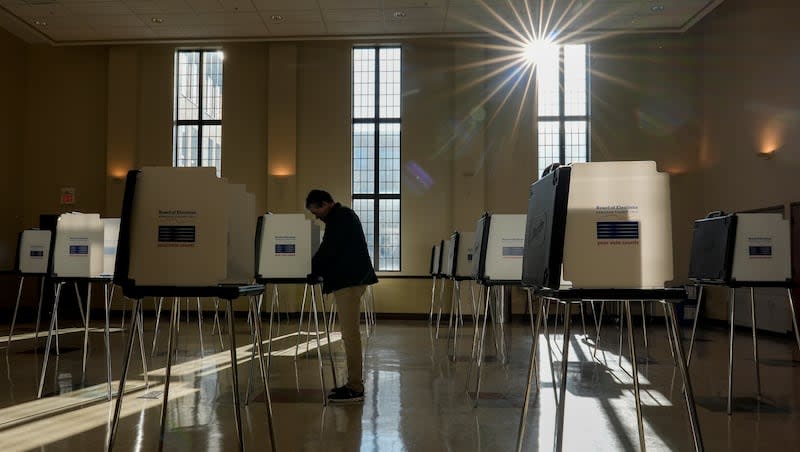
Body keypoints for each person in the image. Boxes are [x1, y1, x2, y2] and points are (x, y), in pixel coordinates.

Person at [306, 189, 378, 403]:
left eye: (316, 210)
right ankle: (353, 383)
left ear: (326, 203)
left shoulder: (340, 218)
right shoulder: (342, 217)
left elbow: (329, 250)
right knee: (350, 334)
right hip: (352, 280)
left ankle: (355, 387)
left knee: (350, 335)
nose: (315, 215)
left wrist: (309, 268)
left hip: (350, 281)